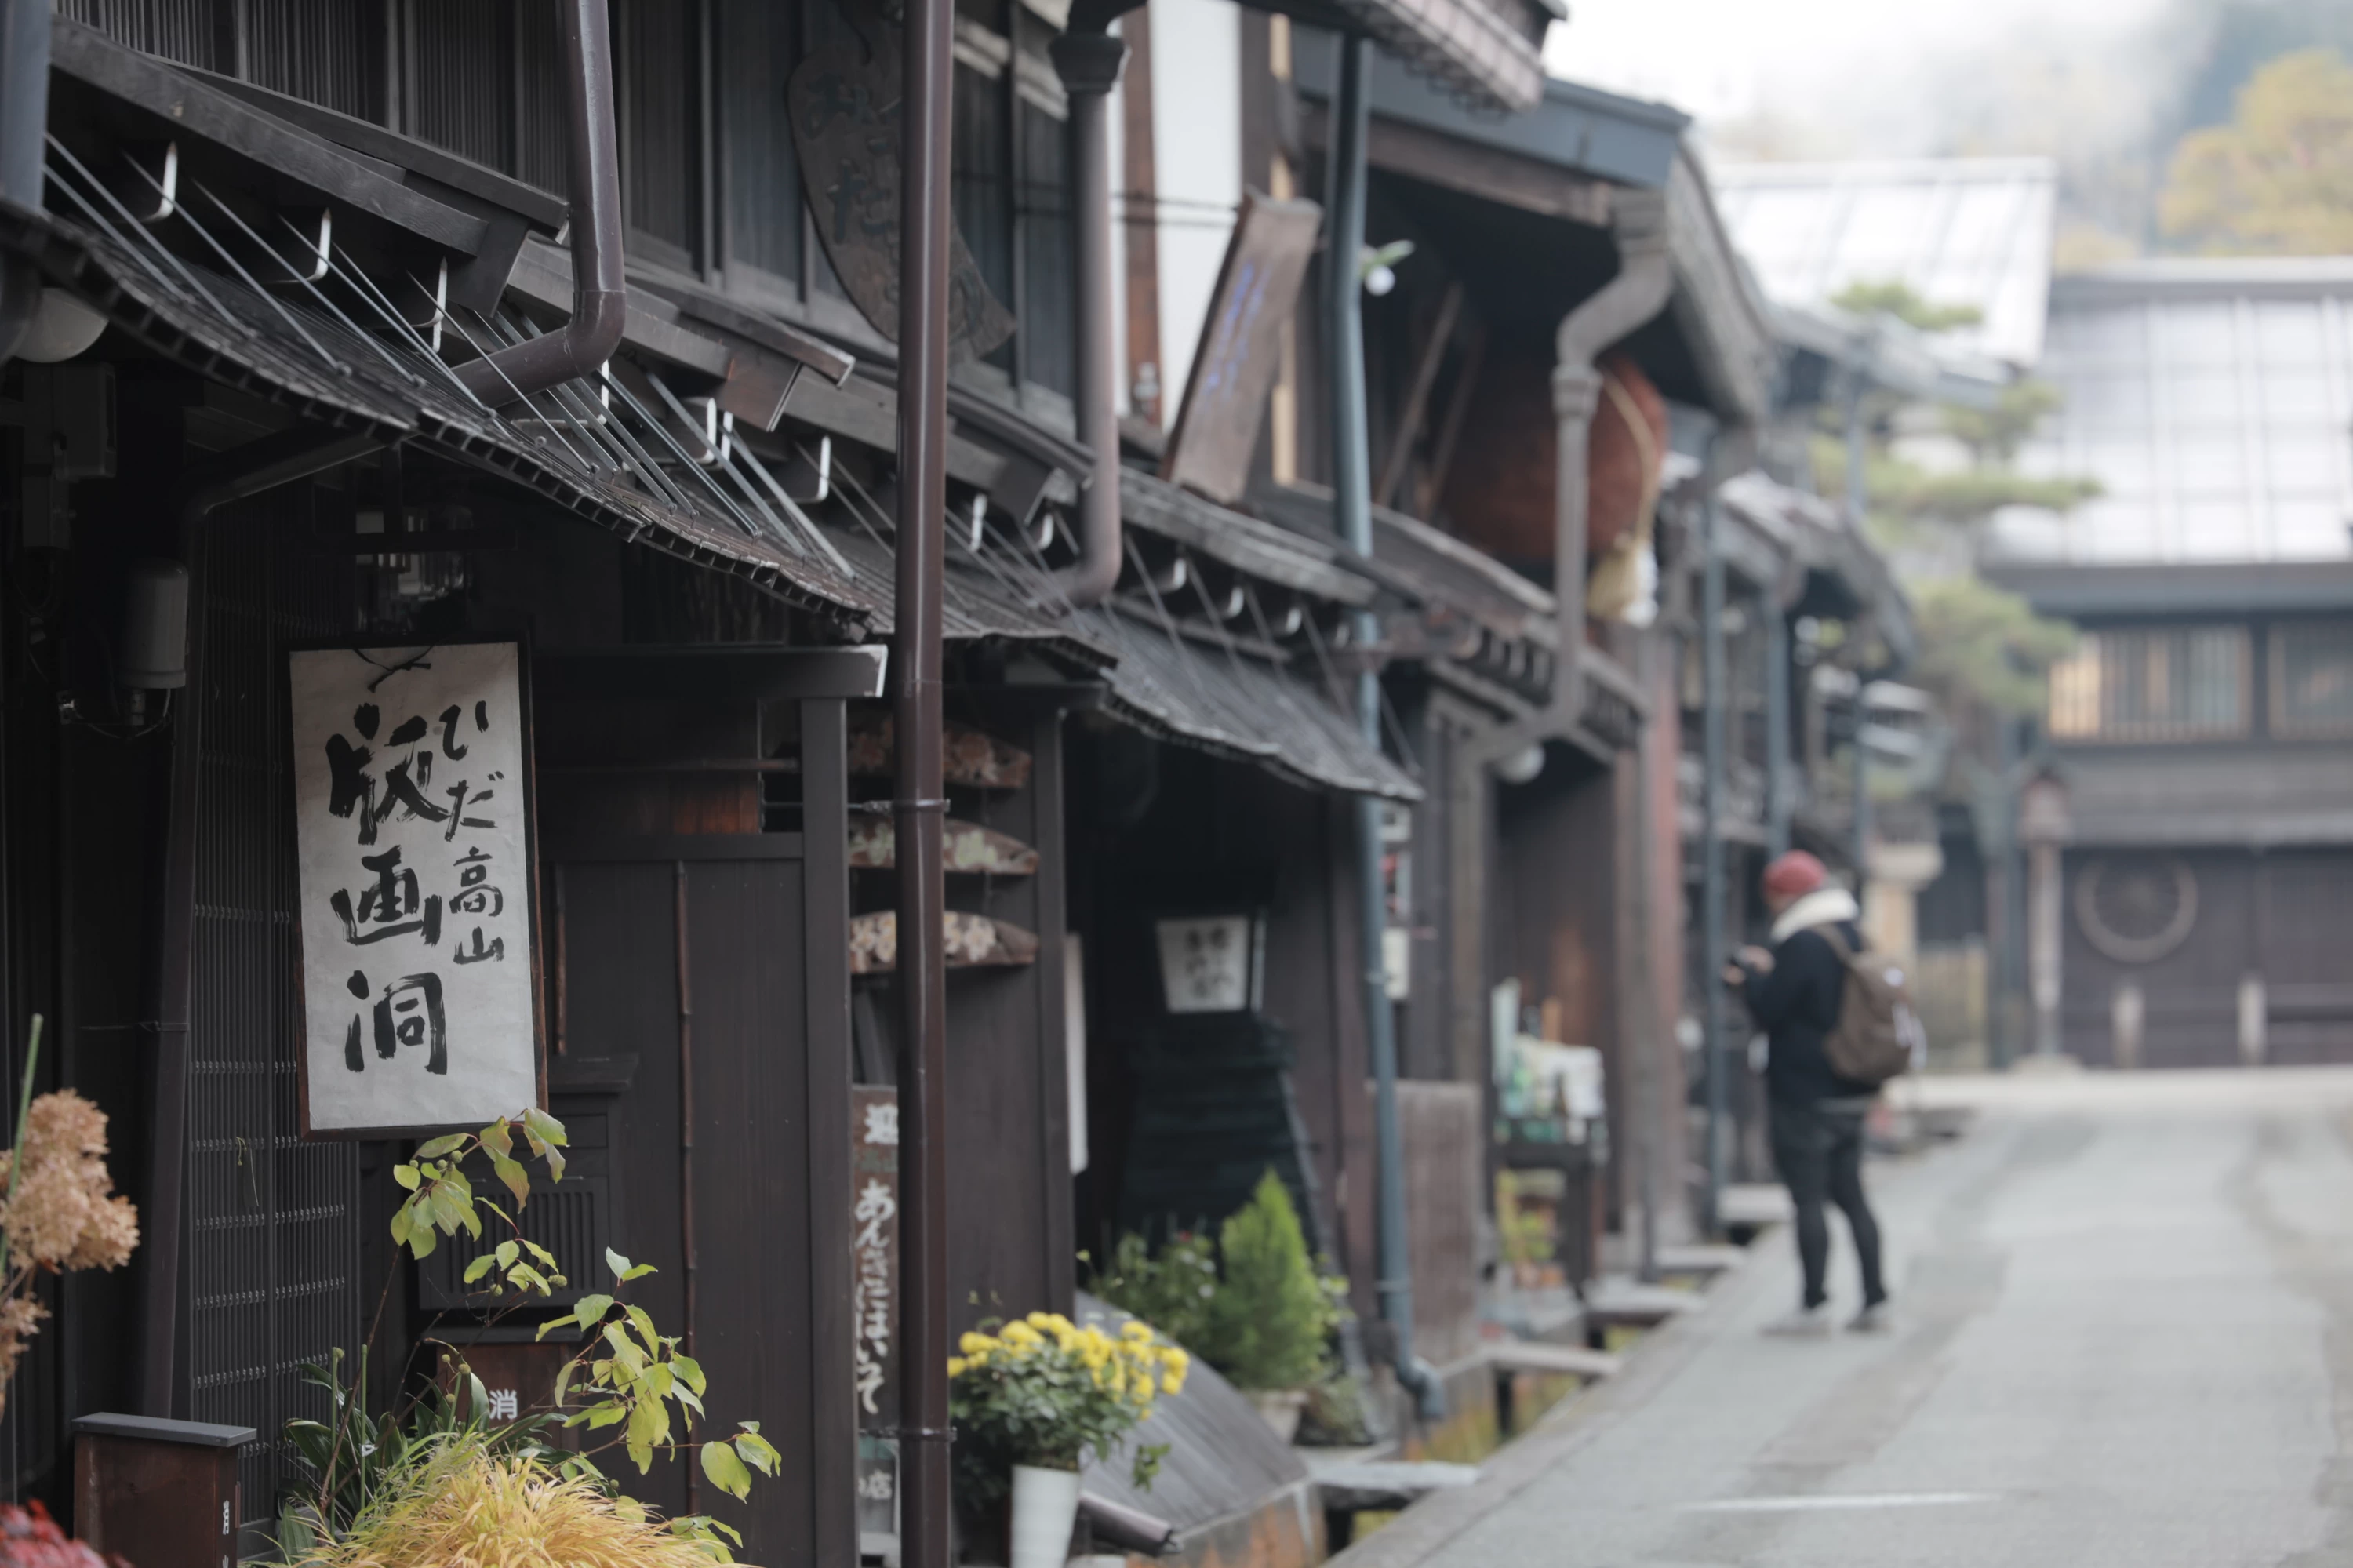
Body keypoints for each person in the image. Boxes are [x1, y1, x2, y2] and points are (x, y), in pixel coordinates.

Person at [1724, 849, 1889, 1336]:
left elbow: (1773, 1009)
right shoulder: (1853, 934)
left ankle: (1814, 1305)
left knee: (1809, 1199)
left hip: (1805, 1090)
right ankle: (1875, 1299)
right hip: (1854, 1086)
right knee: (1853, 1196)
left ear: (1785, 895)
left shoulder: (1802, 943)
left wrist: (1751, 978)